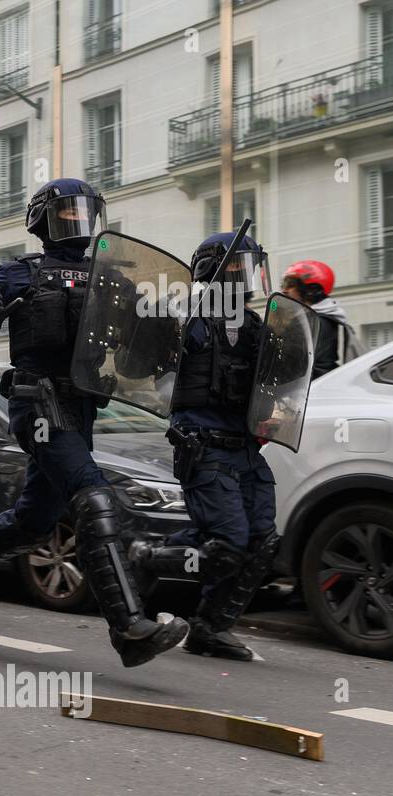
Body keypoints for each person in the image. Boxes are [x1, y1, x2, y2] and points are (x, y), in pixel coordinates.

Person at [0, 178, 189, 668]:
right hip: (38, 406)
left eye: (84, 211)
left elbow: (135, 363)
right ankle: (129, 629)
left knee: (36, 521)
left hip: (81, 409)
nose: (76, 220)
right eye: (65, 212)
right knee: (93, 499)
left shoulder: (110, 279)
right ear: (42, 221)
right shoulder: (19, 273)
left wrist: (160, 330)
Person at [132, 232, 276, 662]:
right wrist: (161, 327)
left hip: (248, 449)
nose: (247, 276)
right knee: (228, 543)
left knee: (261, 540)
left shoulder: (255, 328)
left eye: (253, 266)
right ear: (213, 270)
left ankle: (210, 628)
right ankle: (148, 558)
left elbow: (276, 386)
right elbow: (144, 368)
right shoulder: (187, 318)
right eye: (238, 266)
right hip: (205, 446)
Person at [281, 260, 348, 378]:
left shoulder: (320, 322)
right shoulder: (307, 319)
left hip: (312, 392)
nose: (284, 290)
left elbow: (321, 368)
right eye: (284, 285)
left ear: (311, 290)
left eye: (290, 285)